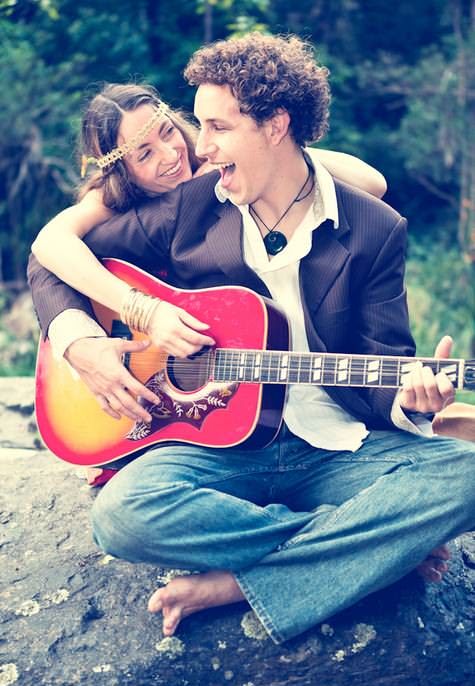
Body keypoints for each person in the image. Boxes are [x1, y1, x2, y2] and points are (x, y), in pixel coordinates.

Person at [28, 33, 474, 645]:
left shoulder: (374, 229)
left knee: (465, 476)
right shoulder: (189, 207)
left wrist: (410, 399)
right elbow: (53, 259)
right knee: (123, 515)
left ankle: (246, 581)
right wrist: (84, 342)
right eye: (197, 128)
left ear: (274, 125)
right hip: (221, 450)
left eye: (214, 128)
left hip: (333, 447)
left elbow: (385, 366)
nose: (195, 147)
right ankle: (354, 543)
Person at [31, 82, 387, 427]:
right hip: (144, 376)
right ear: (121, 172)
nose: (170, 155)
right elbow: (47, 250)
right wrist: (91, 339)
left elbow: (373, 184)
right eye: (145, 154)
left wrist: (272, 151)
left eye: (168, 133)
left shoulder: (216, 165)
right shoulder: (111, 204)